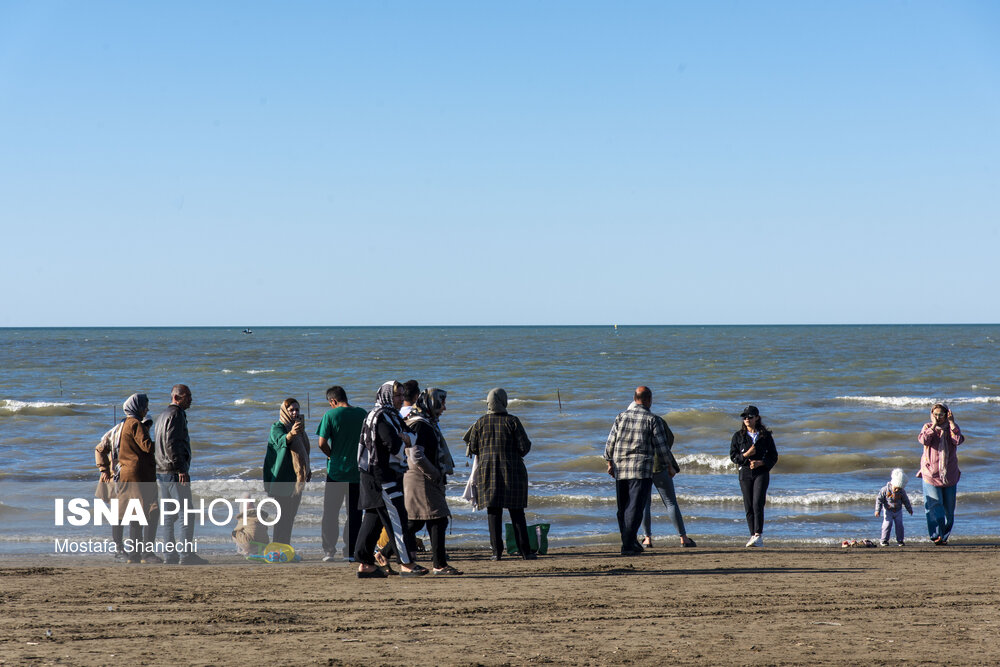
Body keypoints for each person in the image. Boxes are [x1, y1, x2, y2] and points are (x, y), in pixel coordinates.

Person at [354, 381, 427, 578]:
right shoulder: (381, 416)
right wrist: (403, 439)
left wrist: (405, 438)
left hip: (376, 474)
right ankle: (407, 564)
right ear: (386, 395)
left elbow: (412, 436)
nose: (401, 398)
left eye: (402, 394)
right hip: (379, 475)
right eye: (396, 395)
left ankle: (365, 563)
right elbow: (394, 445)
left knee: (373, 519)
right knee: (398, 517)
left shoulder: (391, 415)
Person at [464, 387, 534, 561]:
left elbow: (472, 448)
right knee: (517, 512)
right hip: (513, 472)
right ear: (504, 401)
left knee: (493, 513)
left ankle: (496, 552)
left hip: (488, 472)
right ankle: (525, 552)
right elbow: (524, 448)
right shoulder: (513, 421)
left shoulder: (480, 423)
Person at [604, 386, 673, 556]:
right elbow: (661, 447)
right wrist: (669, 465)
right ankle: (628, 545)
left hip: (621, 468)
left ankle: (630, 541)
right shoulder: (652, 419)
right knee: (635, 507)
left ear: (634, 398)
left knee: (623, 507)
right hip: (641, 470)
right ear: (649, 400)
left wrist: (609, 463)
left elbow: (609, 443)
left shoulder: (620, 416)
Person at [404, 388, 461, 575]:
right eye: (441, 403)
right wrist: (435, 473)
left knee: (418, 522)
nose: (444, 407)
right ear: (431, 403)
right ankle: (440, 564)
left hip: (419, 477)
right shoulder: (421, 424)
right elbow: (417, 455)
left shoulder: (422, 421)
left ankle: (384, 553)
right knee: (437, 519)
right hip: (423, 479)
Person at [154, 384, 208, 565]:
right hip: (174, 471)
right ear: (177, 397)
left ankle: (170, 555)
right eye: (188, 396)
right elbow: (172, 443)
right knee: (187, 512)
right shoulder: (176, 415)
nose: (191, 399)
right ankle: (186, 554)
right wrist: (181, 469)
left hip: (161, 471)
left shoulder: (162, 415)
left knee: (169, 515)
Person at [316, 386, 367, 562]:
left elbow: (321, 443)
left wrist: (331, 455)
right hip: (357, 471)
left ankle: (329, 551)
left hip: (336, 471)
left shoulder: (330, 415)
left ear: (333, 401)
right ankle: (351, 551)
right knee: (354, 513)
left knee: (330, 513)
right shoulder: (362, 413)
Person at [115, 393, 161, 564]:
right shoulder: (136, 424)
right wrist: (163, 443)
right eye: (145, 406)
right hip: (139, 475)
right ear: (137, 407)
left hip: (127, 474)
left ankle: (135, 555)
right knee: (152, 511)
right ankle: (146, 554)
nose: (147, 410)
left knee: (135, 514)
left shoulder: (125, 424)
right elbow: (147, 447)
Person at [639, 410, 696, 548]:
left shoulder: (633, 421)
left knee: (644, 504)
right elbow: (669, 439)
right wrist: (669, 463)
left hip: (642, 466)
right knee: (670, 502)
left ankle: (647, 539)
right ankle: (683, 538)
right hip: (659, 464)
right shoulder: (657, 420)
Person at [263, 398, 311, 545]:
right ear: (285, 411)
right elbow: (280, 441)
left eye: (297, 409)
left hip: (296, 477)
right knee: (282, 515)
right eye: (291, 410)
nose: (295, 412)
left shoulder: (300, 430)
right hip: (281, 477)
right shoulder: (277, 427)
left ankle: (285, 545)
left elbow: (304, 452)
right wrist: (291, 434)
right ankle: (278, 546)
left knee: (290, 515)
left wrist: (307, 470)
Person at [729, 405, 779, 548]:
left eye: (750, 417)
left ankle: (758, 535)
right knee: (748, 505)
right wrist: (746, 454)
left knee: (758, 502)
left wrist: (761, 462)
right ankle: (752, 535)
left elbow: (774, 456)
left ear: (757, 417)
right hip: (744, 473)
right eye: (744, 417)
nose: (746, 419)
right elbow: (733, 457)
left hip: (761, 473)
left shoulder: (765, 436)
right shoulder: (738, 436)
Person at [917, 403, 964, 545]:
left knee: (949, 510)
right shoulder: (927, 427)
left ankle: (944, 536)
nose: (938, 417)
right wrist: (933, 426)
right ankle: (936, 535)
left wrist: (951, 423)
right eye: (935, 414)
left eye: (941, 414)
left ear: (947, 414)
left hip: (949, 473)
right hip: (930, 473)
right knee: (934, 506)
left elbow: (958, 440)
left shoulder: (952, 428)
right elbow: (923, 440)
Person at [95, 418, 127, 558]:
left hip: (120, 477)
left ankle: (120, 548)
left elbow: (100, 449)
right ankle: (119, 548)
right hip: (117, 478)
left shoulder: (115, 431)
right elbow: (99, 449)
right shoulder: (118, 432)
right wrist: (104, 469)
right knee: (119, 516)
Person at [875, 468, 913, 546]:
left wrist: (909, 509)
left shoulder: (902, 492)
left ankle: (900, 540)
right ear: (893, 483)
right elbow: (879, 500)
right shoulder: (885, 490)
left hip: (898, 511)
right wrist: (877, 510)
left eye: (899, 488)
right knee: (887, 524)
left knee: (899, 525)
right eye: (895, 488)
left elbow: (906, 501)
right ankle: (884, 540)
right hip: (888, 510)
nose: (896, 490)